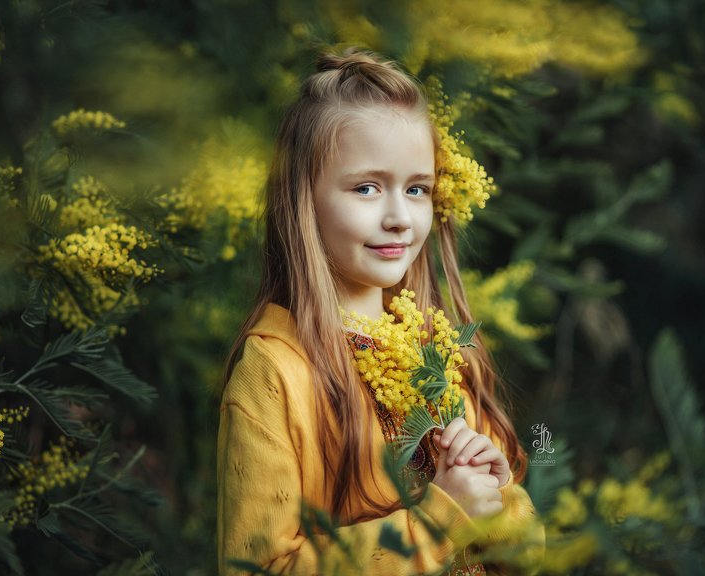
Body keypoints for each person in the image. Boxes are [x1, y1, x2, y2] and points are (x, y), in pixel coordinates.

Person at [217, 48, 544, 575]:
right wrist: (441, 517)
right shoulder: (274, 373)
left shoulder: (438, 354)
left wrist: (498, 497)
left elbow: (525, 555)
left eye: (416, 189)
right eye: (366, 187)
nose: (399, 217)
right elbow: (259, 568)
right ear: (303, 199)